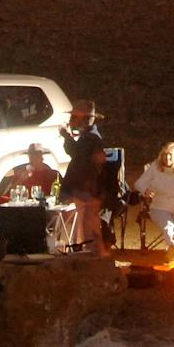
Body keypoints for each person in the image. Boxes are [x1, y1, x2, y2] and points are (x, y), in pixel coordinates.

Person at [59, 98, 110, 250]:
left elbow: (76, 154)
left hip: (87, 190)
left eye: (74, 117)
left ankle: (94, 259)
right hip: (86, 190)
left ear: (85, 119)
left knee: (89, 228)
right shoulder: (88, 137)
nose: (71, 119)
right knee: (86, 226)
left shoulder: (91, 139)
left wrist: (66, 136)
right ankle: (91, 255)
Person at [134, 142, 174, 244]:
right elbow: (139, 183)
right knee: (169, 230)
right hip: (159, 207)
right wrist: (145, 190)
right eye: (165, 154)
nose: (167, 157)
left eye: (170, 155)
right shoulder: (155, 168)